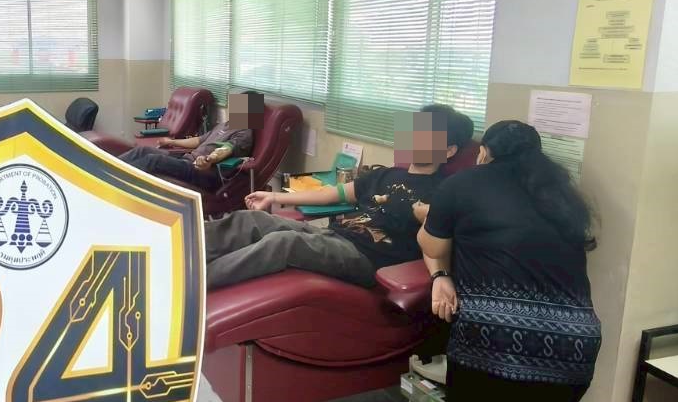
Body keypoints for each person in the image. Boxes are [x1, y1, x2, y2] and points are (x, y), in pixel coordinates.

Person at [403, 120, 601, 402]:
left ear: (484, 152)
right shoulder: (563, 195)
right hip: (572, 343)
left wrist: (440, 273)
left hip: (490, 338)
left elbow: (430, 243)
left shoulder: (463, 184)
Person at [204, 105, 474, 291]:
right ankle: (185, 250)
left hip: (369, 258)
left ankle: (197, 283)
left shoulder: (446, 191)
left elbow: (441, 236)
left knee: (283, 243)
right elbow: (331, 194)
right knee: (251, 220)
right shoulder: (385, 174)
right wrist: (272, 197)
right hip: (335, 235)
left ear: (448, 150)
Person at [119, 91, 261, 191]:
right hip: (188, 160)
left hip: (205, 172)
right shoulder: (225, 125)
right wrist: (171, 142)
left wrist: (209, 159)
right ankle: (110, 169)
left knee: (153, 160)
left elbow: (226, 149)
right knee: (142, 150)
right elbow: (199, 140)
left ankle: (118, 182)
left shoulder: (244, 133)